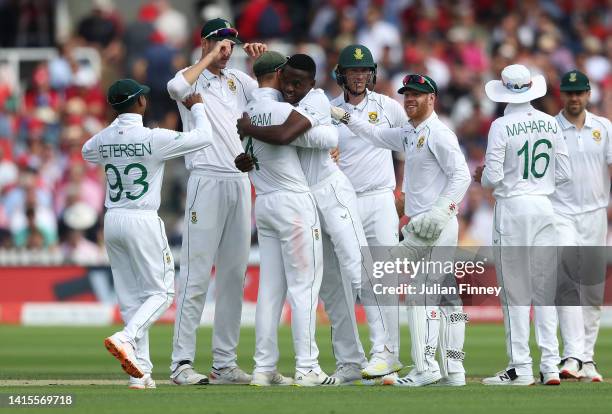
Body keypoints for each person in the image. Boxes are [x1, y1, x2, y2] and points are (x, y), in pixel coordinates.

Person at [236, 54, 370, 385]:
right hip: (295, 205)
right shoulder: (287, 112)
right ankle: (307, 366)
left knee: (269, 292)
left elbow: (247, 157)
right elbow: (328, 139)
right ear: (280, 75)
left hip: (263, 204)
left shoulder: (245, 114)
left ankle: (264, 369)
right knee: (305, 289)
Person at [331, 73, 471, 387]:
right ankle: (455, 370)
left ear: (431, 99)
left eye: (417, 95)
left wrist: (441, 211)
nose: (410, 100)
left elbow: (461, 175)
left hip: (436, 225)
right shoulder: (410, 131)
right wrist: (343, 116)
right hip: (420, 227)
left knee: (420, 296)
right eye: (406, 95)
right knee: (445, 297)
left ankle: (426, 368)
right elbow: (374, 135)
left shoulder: (438, 132)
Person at [82, 78, 213, 389]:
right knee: (163, 292)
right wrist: (198, 109)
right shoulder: (153, 138)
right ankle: (125, 337)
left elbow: (88, 153)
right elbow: (204, 138)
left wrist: (115, 145)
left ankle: (139, 373)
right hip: (142, 218)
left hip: (112, 219)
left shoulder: (102, 138)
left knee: (131, 298)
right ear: (140, 103)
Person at [165, 18, 266, 385]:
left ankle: (224, 364)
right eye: (221, 42)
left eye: (232, 44)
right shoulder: (191, 76)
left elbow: (275, 98)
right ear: (205, 42)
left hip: (239, 181)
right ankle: (180, 365)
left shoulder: (240, 80)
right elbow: (175, 86)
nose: (228, 50)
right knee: (194, 275)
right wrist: (210, 57)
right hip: (205, 179)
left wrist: (262, 63)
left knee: (233, 278)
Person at [474, 64, 571, 386]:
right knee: (545, 291)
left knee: (516, 293)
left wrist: (483, 176)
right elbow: (564, 174)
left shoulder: (501, 126)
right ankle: (552, 366)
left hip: (513, 208)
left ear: (503, 91)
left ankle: (521, 368)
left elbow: (494, 177)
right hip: (545, 207)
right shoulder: (550, 123)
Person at [330, 44, 407, 381]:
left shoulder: (389, 107)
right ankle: (350, 359)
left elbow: (408, 148)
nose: (359, 77)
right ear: (342, 75)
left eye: (364, 71)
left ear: (371, 73)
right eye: (353, 71)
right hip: (344, 201)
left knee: (385, 279)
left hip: (380, 199)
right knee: (348, 281)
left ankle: (387, 354)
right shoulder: (329, 109)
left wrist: (403, 191)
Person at [552, 70, 611, 382]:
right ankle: (571, 354)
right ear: (562, 95)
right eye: (569, 92)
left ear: (588, 94)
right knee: (568, 283)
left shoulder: (604, 128)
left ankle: (586, 359)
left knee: (591, 290)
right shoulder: (549, 128)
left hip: (595, 214)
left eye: (579, 93)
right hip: (560, 212)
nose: (574, 98)